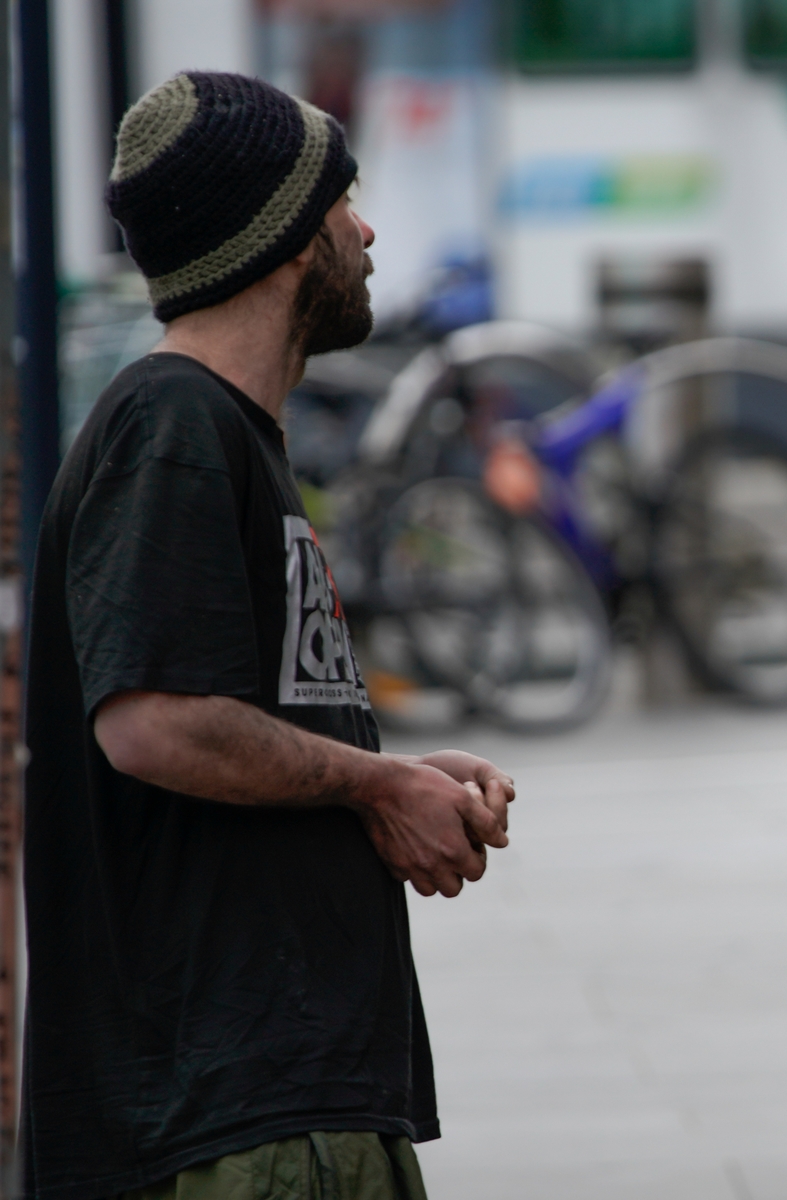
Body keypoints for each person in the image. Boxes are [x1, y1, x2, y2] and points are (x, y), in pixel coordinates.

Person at [23, 72, 517, 1200]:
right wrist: (377, 787)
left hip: (278, 1104)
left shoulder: (222, 431)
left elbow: (225, 722)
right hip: (233, 1121)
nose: (367, 233)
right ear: (287, 237)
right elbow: (154, 723)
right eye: (345, 203)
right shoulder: (173, 424)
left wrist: (389, 775)